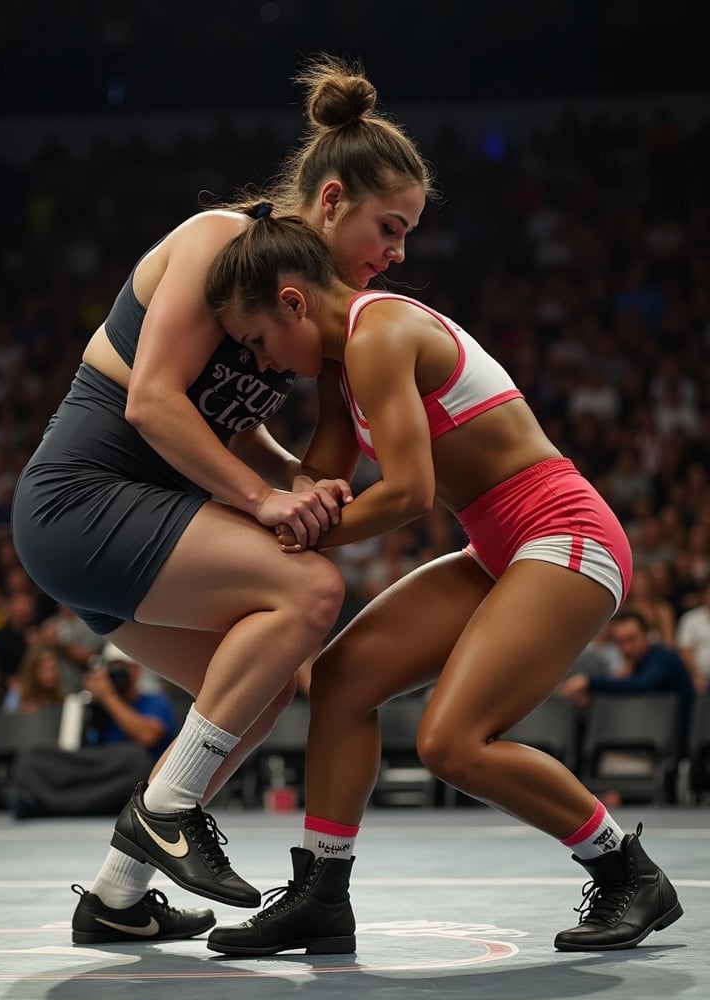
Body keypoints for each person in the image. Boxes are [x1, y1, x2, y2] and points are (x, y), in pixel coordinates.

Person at [10, 56, 432, 945]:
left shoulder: (307, 308)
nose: (396, 254)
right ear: (330, 201)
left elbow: (230, 425)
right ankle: (164, 815)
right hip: (83, 499)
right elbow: (155, 401)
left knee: (259, 688)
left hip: (134, 524)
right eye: (388, 229)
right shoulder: (218, 242)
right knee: (312, 593)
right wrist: (267, 502)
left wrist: (288, 479)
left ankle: (116, 898)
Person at [199, 213, 683, 956]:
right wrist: (244, 459)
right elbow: (321, 485)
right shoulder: (337, 363)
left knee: (450, 743)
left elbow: (408, 495)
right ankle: (322, 894)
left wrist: (297, 529)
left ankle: (628, 872)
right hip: (499, 547)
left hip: (566, 533)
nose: (266, 365)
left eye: (259, 343)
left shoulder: (379, 335)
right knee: (341, 680)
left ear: (293, 302)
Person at [561, 608, 696, 755]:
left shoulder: (663, 657)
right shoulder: (634, 666)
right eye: (620, 642)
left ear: (647, 635)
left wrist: (589, 681)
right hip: (648, 740)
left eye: (631, 640)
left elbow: (642, 686)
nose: (627, 648)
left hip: (674, 746)